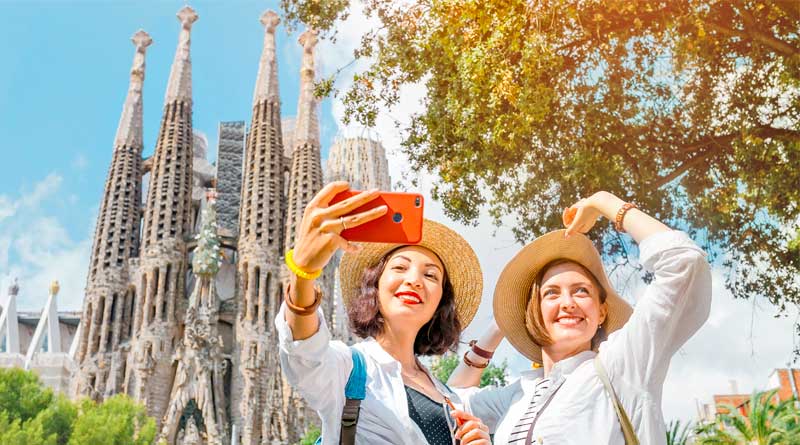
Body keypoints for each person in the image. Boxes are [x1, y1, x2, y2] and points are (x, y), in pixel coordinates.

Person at [448, 191, 712, 445]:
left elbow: (684, 263)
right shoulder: (519, 394)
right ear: (534, 313)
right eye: (551, 294)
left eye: (581, 291)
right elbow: (451, 401)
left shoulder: (622, 364)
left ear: (602, 312)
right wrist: (501, 325)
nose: (568, 303)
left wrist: (603, 202)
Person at [276, 181, 492, 445]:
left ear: (440, 302)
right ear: (374, 286)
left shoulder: (451, 398)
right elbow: (305, 353)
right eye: (400, 268)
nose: (414, 280)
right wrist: (302, 274)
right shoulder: (348, 370)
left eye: (431, 275)